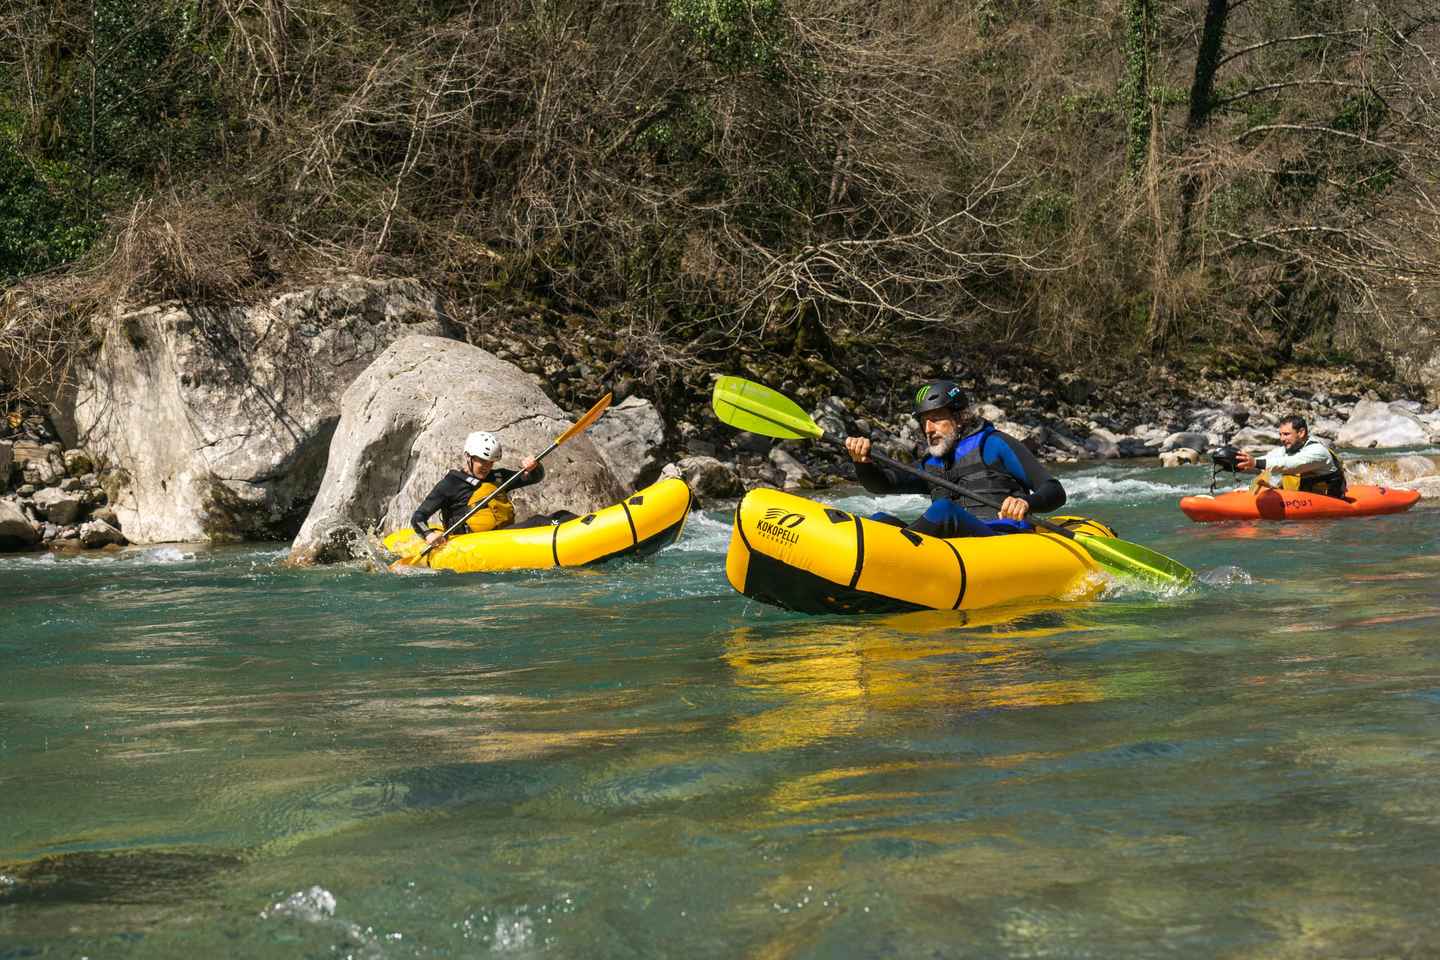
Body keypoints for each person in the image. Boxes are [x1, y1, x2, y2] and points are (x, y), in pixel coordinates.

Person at [844, 380, 1067, 538]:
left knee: (943, 510)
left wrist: (1026, 503)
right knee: (880, 519)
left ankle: (898, 550)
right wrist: (862, 463)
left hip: (1001, 537)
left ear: (959, 418)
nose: (928, 429)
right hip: (954, 549)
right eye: (924, 422)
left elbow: (1054, 490)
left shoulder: (994, 444)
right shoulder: (930, 464)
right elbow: (881, 484)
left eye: (936, 419)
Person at [411, 431, 543, 548]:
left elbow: (535, 477)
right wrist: (428, 534)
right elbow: (418, 518)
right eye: (482, 461)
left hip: (502, 537)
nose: (487, 467)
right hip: (471, 544)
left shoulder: (498, 476)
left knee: (559, 516)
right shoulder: (451, 484)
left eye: (490, 462)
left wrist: (534, 467)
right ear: (468, 457)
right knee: (539, 522)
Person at [1234, 415, 1346, 496]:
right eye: (1280, 434)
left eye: (1286, 434)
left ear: (1301, 433)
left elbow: (1290, 464)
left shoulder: (1317, 451)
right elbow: (1267, 460)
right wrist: (1239, 463)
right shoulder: (1287, 449)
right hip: (1301, 497)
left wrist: (1255, 463)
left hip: (1329, 500)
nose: (1282, 439)